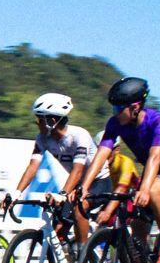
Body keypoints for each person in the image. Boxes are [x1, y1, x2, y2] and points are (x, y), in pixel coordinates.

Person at [72, 77, 160, 263]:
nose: (115, 113)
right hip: (152, 172)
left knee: (152, 192)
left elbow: (155, 157)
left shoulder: (158, 123)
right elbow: (101, 155)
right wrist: (84, 187)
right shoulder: (115, 124)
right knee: (137, 235)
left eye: (118, 109)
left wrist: (144, 189)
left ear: (135, 107)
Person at [10, 92, 102, 247]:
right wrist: (16, 193)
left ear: (52, 121)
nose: (36, 123)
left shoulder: (80, 135)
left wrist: (63, 194)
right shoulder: (42, 139)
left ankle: (83, 260)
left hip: (98, 181)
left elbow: (78, 170)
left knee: (80, 208)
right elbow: (32, 167)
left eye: (39, 119)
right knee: (57, 231)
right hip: (77, 184)